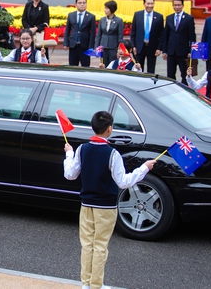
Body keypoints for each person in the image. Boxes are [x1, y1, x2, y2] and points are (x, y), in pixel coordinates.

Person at [63, 111, 155, 289]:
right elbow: (123, 182)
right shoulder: (112, 154)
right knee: (100, 246)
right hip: (106, 207)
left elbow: (70, 175)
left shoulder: (82, 149)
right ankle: (96, 285)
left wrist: (69, 154)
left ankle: (86, 283)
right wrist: (144, 168)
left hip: (86, 205)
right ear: (110, 129)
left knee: (87, 245)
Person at [161, 0, 196, 84]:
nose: (177, 7)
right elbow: (166, 35)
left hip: (183, 52)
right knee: (170, 74)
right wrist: (164, 51)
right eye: (175, 5)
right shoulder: (169, 18)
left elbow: (192, 36)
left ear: (183, 6)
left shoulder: (188, 18)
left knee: (184, 74)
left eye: (178, 5)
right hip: (171, 51)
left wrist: (191, 51)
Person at [130, 0, 164, 73]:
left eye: (152, 4)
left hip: (152, 47)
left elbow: (161, 34)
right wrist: (133, 46)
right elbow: (133, 32)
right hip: (139, 47)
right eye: (148, 3)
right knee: (138, 68)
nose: (150, 6)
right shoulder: (138, 15)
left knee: (151, 70)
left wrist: (159, 48)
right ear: (144, 4)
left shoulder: (159, 17)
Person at [64, 0, 96, 67]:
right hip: (73, 46)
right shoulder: (71, 15)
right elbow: (67, 30)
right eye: (80, 3)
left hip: (85, 46)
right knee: (72, 67)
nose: (82, 4)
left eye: (84, 3)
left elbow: (93, 33)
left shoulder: (91, 16)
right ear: (76, 5)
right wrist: (66, 43)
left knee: (85, 67)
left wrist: (91, 47)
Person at [95, 0, 124, 66]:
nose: (105, 10)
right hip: (103, 48)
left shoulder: (119, 21)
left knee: (112, 65)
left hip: (113, 48)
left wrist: (119, 49)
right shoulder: (102, 20)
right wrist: (97, 47)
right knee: (103, 65)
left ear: (112, 9)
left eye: (107, 8)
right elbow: (99, 34)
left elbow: (120, 36)